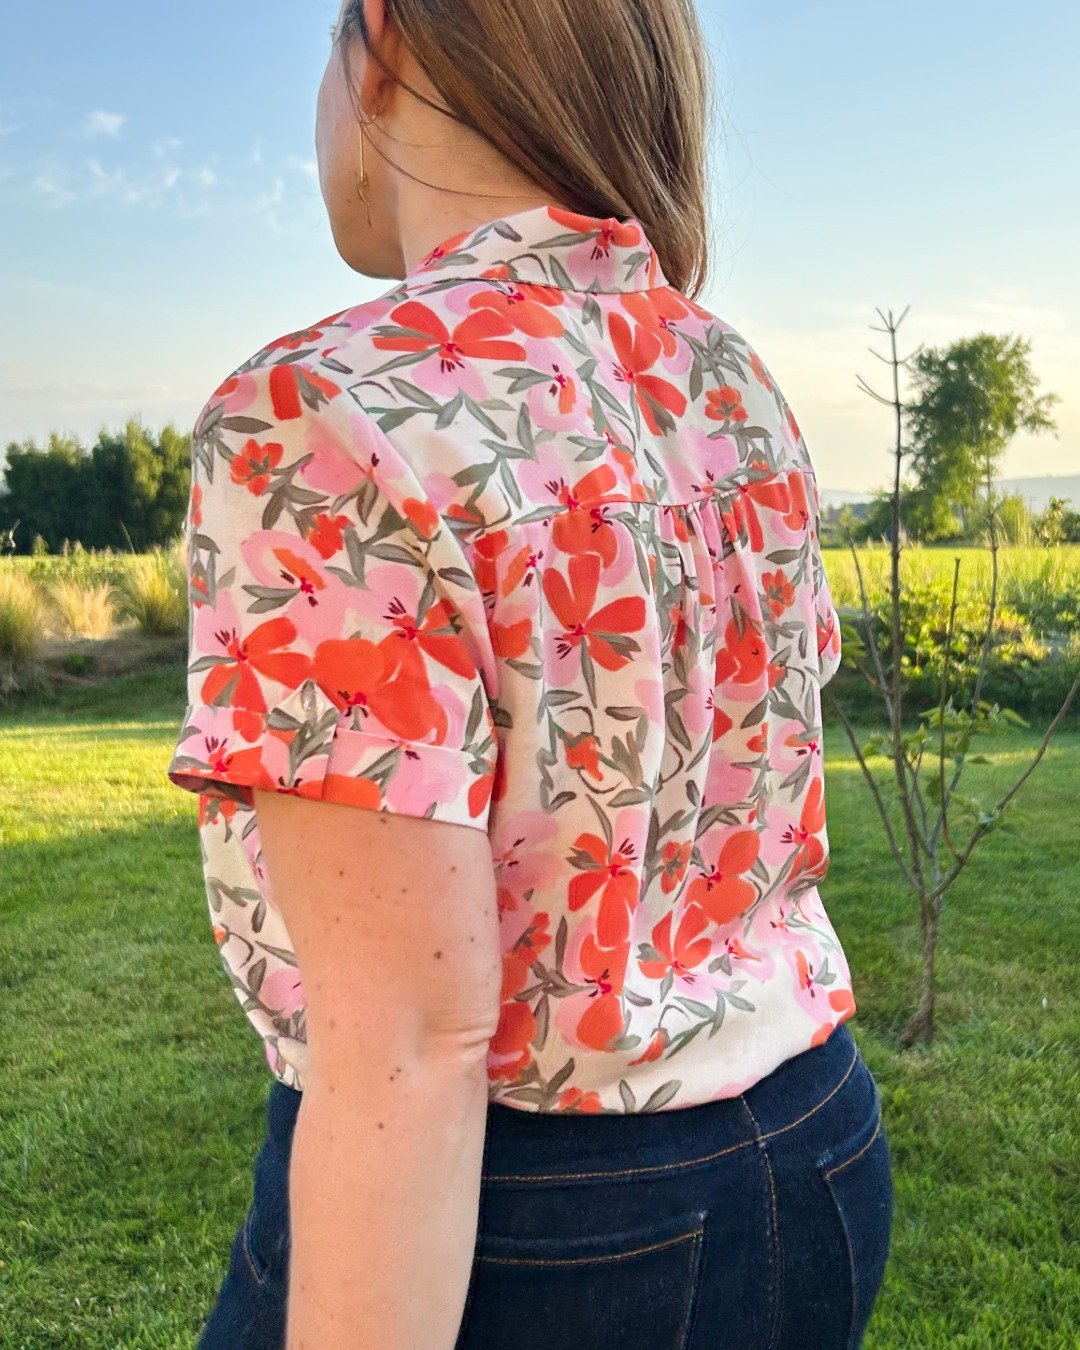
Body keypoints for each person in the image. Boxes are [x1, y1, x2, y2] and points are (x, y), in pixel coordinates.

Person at [165, 0, 895, 1345]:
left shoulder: (324, 410)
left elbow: (411, 1049)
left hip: (544, 1228)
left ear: (382, 41)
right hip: (818, 1147)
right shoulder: (724, 378)